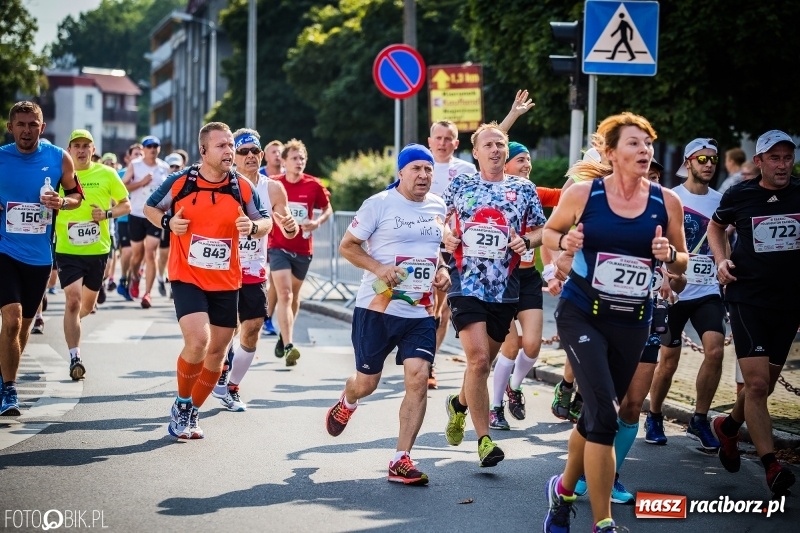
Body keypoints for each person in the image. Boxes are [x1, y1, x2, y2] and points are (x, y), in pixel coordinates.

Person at [540, 112, 687, 533]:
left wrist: (668, 256)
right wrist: (565, 242)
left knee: (597, 418)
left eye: (648, 144)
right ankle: (602, 523)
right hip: (582, 312)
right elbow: (549, 235)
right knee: (603, 412)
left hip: (633, 319)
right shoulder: (585, 194)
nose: (645, 151)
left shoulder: (666, 201)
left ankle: (563, 492)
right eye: (634, 144)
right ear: (610, 153)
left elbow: (684, 264)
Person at [325, 143, 449, 485]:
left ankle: (401, 458)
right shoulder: (379, 204)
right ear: (401, 172)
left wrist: (442, 271)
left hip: (419, 311)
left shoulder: (438, 206)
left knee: (419, 377)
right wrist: (379, 267)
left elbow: (435, 251)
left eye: (428, 169)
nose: (423, 175)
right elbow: (347, 246)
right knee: (367, 383)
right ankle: (348, 400)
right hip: (376, 308)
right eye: (416, 169)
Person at [143, 121, 272, 439]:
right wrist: (168, 222)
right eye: (222, 146)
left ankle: (191, 412)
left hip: (227, 279)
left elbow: (265, 220)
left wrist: (252, 228)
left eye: (231, 145)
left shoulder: (241, 187)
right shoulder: (181, 182)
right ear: (203, 151)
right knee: (198, 341)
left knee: (216, 351)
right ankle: (182, 403)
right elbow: (149, 207)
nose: (230, 151)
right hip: (186, 274)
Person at [441, 122, 546, 467]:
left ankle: (458, 405)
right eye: (488, 145)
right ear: (476, 152)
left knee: (481, 367)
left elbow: (542, 230)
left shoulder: (524, 188)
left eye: (500, 144)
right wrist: (446, 235)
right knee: (479, 360)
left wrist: (525, 241)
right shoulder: (462, 183)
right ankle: (484, 441)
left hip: (505, 287)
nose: (496, 150)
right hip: (466, 281)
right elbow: (437, 216)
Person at [708, 129, 800, 498]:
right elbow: (716, 227)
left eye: (787, 157)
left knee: (765, 384)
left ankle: (728, 427)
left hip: (789, 301)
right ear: (758, 161)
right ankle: (772, 466)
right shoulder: (740, 194)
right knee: (757, 385)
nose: (782, 165)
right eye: (774, 158)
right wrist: (721, 260)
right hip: (747, 297)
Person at [0, 101, 82, 415]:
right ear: (10, 127)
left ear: (42, 127)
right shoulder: (1, 158)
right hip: (4, 250)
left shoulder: (58, 157)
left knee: (21, 328)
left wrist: (61, 201)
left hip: (38, 257)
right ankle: (10, 391)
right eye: (20, 124)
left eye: (33, 124)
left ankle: (4, 375)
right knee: (11, 318)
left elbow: (77, 197)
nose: (27, 130)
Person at [646, 138, 727, 451]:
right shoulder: (670, 198)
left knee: (716, 350)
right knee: (668, 361)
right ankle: (654, 415)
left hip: (707, 291)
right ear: (689, 162)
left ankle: (700, 418)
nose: (708, 164)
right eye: (702, 158)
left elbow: (722, 240)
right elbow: (658, 241)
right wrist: (665, 276)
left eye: (713, 159)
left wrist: (724, 266)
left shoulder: (721, 200)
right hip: (675, 290)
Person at [211, 129, 294, 411]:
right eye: (243, 151)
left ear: (261, 156)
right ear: (234, 156)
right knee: (227, 328)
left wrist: (291, 227)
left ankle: (232, 386)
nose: (249, 156)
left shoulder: (272, 188)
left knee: (253, 327)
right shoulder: (221, 185)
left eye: (254, 152)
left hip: (254, 267)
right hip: (222, 267)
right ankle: (219, 370)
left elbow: (285, 222)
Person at [489, 140, 561, 429]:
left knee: (531, 346)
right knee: (509, 347)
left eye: (529, 159)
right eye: (520, 159)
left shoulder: (533, 191)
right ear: (505, 163)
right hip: (501, 278)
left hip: (529, 278)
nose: (527, 164)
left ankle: (514, 387)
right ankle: (495, 408)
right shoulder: (491, 191)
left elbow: (567, 195)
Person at [56, 129, 131, 379]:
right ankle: (75, 357)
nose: (81, 150)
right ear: (69, 149)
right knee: (73, 300)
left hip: (97, 249)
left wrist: (107, 214)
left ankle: (71, 323)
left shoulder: (107, 174)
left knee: (85, 307)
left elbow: (126, 204)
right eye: (76, 145)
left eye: (85, 145)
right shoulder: (61, 174)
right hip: (67, 248)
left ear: (93, 149)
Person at [267, 139, 332, 366]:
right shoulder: (274, 184)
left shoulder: (313, 185)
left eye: (302, 158)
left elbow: (327, 208)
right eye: (294, 158)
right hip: (278, 247)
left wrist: (318, 223)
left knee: (294, 297)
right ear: (284, 161)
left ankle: (283, 334)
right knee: (284, 294)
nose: (299, 162)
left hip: (303, 248)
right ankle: (289, 346)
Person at [122, 135, 170, 308]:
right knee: (138, 255)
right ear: (143, 149)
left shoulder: (164, 167)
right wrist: (142, 182)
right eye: (149, 146)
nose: (153, 149)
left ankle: (148, 293)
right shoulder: (135, 165)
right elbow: (123, 186)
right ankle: (134, 277)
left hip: (155, 216)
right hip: (136, 214)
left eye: (155, 146)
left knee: (150, 253)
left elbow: (170, 191)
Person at [114, 143, 143, 301]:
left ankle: (133, 279)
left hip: (141, 218)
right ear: (128, 157)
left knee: (139, 254)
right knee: (127, 252)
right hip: (124, 218)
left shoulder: (149, 172)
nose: (138, 157)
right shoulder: (121, 173)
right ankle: (124, 278)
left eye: (141, 154)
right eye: (135, 154)